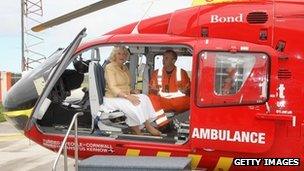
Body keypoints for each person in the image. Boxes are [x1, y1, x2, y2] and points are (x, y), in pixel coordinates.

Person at [103, 46, 161, 136]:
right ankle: (145, 127)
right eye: (119, 54)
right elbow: (113, 87)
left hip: (124, 95)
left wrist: (132, 91)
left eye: (124, 54)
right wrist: (128, 96)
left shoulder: (125, 67)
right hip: (113, 98)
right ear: (114, 55)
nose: (122, 56)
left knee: (144, 98)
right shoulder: (110, 67)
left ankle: (138, 128)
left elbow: (126, 85)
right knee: (133, 103)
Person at [149, 50, 190, 124]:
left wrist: (186, 91)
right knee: (151, 98)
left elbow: (189, 90)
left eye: (166, 58)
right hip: (163, 101)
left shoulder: (182, 73)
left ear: (173, 61)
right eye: (163, 58)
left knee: (193, 101)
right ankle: (163, 124)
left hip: (179, 102)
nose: (163, 60)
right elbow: (152, 89)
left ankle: (180, 121)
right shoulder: (156, 73)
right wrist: (154, 90)